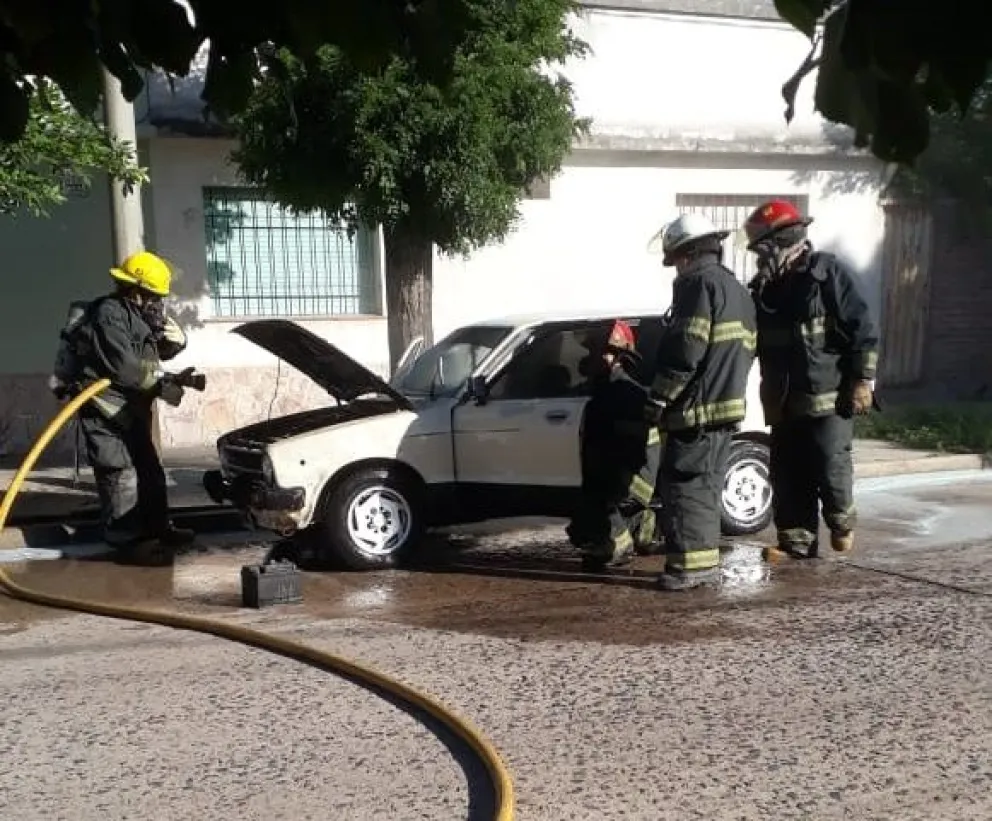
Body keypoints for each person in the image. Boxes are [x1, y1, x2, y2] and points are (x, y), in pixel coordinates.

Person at [743, 200, 879, 560]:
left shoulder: (827, 274)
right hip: (783, 399)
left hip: (829, 395)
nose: (758, 256)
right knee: (787, 471)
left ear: (782, 240)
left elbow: (863, 327)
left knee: (829, 463)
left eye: (761, 247)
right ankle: (796, 541)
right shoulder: (764, 290)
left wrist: (863, 380)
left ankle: (841, 523)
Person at [54, 251, 198, 565]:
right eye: (153, 296)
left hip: (128, 408)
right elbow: (124, 367)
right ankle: (128, 542)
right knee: (118, 472)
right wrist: (162, 384)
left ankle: (159, 530)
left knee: (150, 471)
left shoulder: (137, 316)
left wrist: (172, 343)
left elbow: (151, 355)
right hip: (103, 408)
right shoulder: (109, 314)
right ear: (135, 291)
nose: (158, 303)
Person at [649, 213, 757, 591]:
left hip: (697, 410)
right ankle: (703, 564)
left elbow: (686, 349)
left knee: (685, 488)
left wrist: (659, 398)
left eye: (677, 258)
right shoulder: (735, 290)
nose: (675, 268)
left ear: (691, 253)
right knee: (706, 488)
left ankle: (689, 569)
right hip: (724, 409)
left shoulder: (697, 285)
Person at [566, 320, 663, 571]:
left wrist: (620, 484)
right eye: (594, 352)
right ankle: (640, 527)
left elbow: (635, 448)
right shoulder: (605, 392)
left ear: (621, 357)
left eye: (604, 352)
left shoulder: (625, 394)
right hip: (616, 474)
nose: (596, 358)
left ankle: (617, 545)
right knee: (582, 520)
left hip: (632, 477)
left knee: (600, 503)